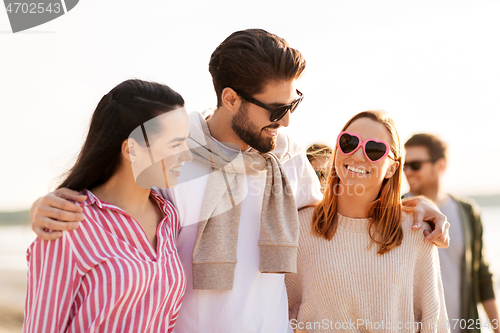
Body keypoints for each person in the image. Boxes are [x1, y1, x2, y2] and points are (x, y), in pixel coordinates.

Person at [30, 30, 450, 333]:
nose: (286, 120)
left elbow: (339, 215)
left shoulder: (287, 159)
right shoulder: (172, 157)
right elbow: (112, 208)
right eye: (275, 109)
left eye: (293, 104)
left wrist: (414, 203)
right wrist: (46, 206)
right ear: (230, 98)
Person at [23, 79, 192, 333]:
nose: (187, 155)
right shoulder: (69, 223)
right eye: (175, 144)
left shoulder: (170, 218)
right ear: (131, 150)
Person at [287, 111, 449, 332]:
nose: (357, 155)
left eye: (374, 149)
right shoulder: (299, 227)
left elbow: (434, 324)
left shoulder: (416, 230)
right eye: (349, 142)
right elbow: (278, 316)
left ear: (392, 167)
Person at [404, 133, 499, 333]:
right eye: (404, 165)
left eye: (415, 165)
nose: (407, 172)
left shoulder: (467, 212)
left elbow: (482, 275)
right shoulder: (397, 211)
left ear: (440, 165)